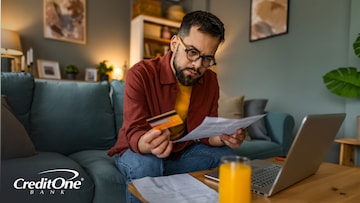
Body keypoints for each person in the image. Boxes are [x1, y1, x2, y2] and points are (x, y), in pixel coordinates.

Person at [108, 10, 247, 203]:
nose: (198, 65)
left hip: (182, 150)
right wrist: (147, 143)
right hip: (138, 151)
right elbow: (134, 131)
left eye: (207, 58)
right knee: (149, 166)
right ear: (174, 44)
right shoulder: (141, 74)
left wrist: (224, 136)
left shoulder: (210, 80)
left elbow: (205, 132)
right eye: (192, 52)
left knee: (228, 158)